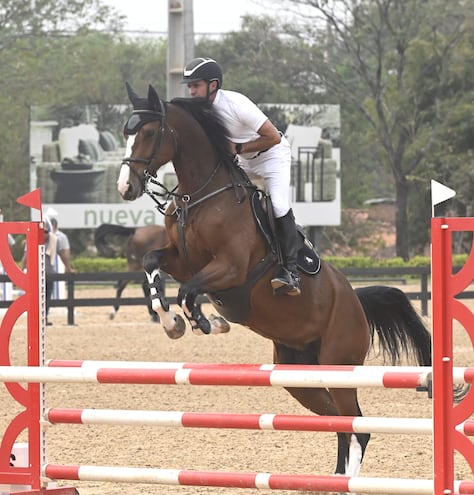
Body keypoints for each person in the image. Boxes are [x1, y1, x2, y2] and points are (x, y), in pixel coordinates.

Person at [181, 57, 300, 296]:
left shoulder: (237, 103)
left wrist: (237, 149)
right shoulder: (198, 110)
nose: (191, 91)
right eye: (190, 86)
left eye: (196, 85)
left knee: (277, 205)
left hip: (272, 156)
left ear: (213, 85)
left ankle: (291, 271)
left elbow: (273, 137)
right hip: (243, 160)